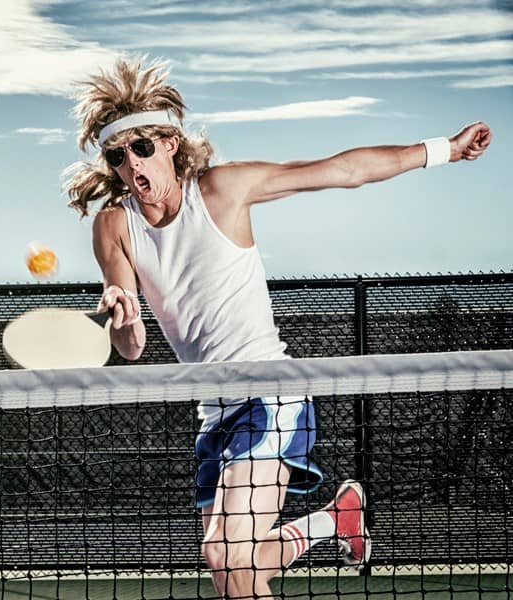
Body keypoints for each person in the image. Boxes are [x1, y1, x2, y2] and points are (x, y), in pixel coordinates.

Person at [64, 57, 492, 599]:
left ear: (171, 143)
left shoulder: (223, 190)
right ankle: (330, 522)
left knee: (225, 556)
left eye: (142, 147)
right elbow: (132, 347)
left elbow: (342, 170)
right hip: (211, 408)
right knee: (236, 568)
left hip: (270, 390)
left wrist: (445, 149)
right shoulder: (112, 225)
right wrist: (121, 310)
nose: (131, 165)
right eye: (118, 155)